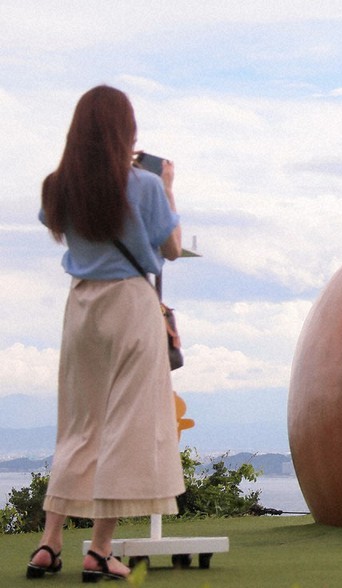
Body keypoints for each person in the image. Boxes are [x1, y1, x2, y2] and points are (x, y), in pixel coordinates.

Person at [27, 85, 186, 582]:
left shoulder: (58, 185)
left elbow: (56, 227)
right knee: (125, 427)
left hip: (81, 305)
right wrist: (167, 185)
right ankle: (98, 549)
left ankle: (48, 543)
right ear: (126, 129)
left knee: (78, 424)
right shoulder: (142, 184)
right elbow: (173, 249)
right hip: (130, 304)